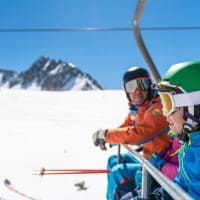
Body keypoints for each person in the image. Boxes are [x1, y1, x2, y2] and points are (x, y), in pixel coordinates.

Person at [92, 67, 170, 200]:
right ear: (126, 91)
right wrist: (108, 138)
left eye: (142, 84)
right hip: (149, 159)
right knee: (113, 160)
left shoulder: (158, 107)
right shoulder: (138, 109)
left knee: (118, 172)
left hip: (160, 164)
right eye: (131, 87)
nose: (137, 91)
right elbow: (125, 128)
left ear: (150, 86)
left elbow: (139, 134)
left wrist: (107, 135)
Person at [154, 61, 200, 199]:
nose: (165, 115)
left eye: (169, 105)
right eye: (163, 104)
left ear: (194, 108)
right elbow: (183, 183)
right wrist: (160, 196)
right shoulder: (191, 145)